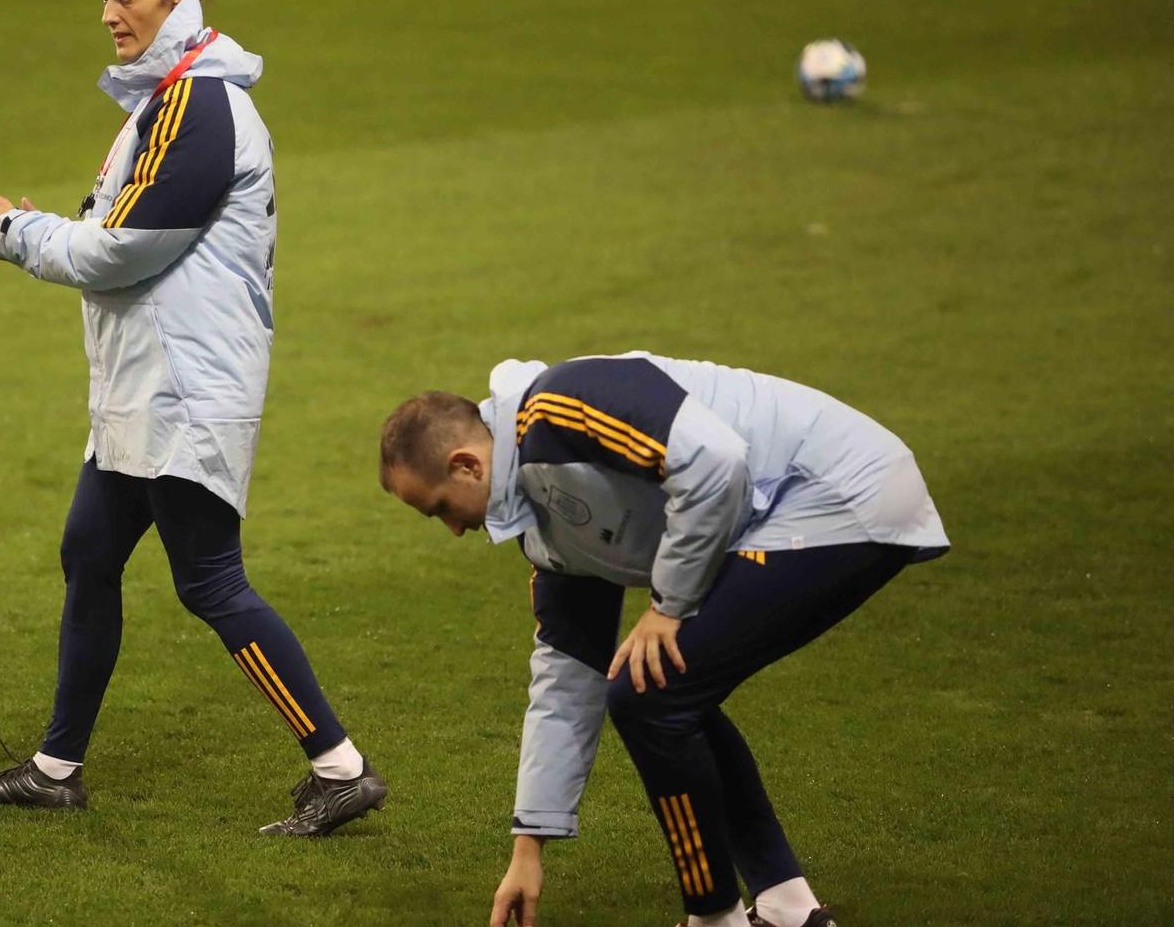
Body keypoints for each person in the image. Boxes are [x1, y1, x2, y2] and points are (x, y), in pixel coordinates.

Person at [0, 0, 385, 836]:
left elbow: (118, 251)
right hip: (146, 387)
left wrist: (18, 233)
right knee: (89, 553)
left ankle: (340, 764)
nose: (108, 12)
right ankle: (58, 765)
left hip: (185, 390)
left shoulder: (204, 106)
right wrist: (48, 227)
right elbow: (113, 230)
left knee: (210, 579)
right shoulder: (167, 98)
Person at [377, 352, 949, 927]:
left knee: (651, 692)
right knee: (664, 688)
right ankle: (788, 907)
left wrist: (668, 606)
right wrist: (529, 848)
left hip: (837, 491)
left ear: (468, 466)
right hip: (796, 509)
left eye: (440, 509)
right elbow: (565, 680)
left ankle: (714, 916)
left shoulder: (560, 403)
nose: (453, 529)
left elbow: (717, 461)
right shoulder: (544, 530)